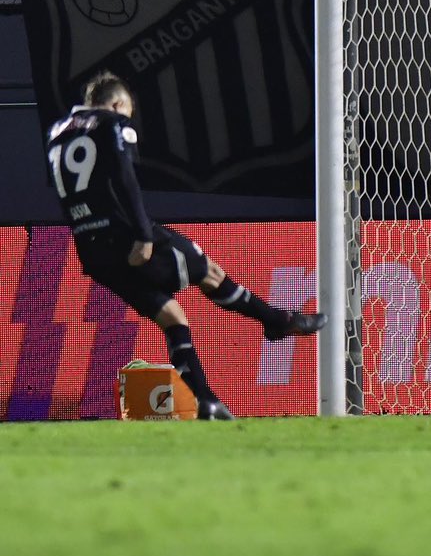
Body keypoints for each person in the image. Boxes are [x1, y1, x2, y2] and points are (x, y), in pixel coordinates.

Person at [45, 72, 325, 421]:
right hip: (125, 235)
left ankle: (206, 402)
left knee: (171, 317)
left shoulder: (55, 132)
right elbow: (124, 177)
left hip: (91, 250)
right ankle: (276, 320)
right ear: (118, 104)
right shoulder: (112, 123)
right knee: (208, 270)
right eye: (128, 111)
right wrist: (144, 235)